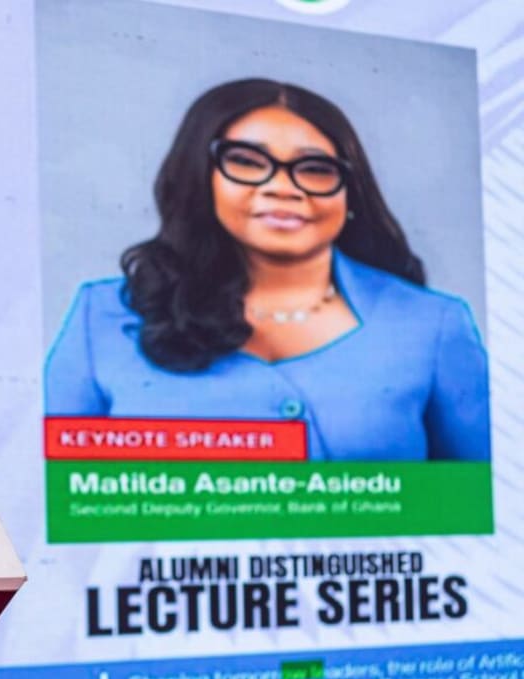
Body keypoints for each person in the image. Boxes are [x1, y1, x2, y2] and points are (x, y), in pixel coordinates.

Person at [45, 79, 490, 461]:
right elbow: (56, 502)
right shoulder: (100, 317)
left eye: (315, 169)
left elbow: (484, 505)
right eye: (246, 161)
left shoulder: (434, 323)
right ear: (202, 177)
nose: (282, 188)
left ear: (350, 193)